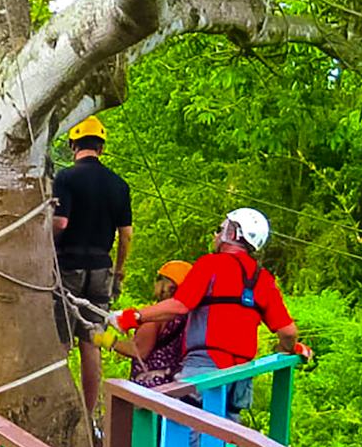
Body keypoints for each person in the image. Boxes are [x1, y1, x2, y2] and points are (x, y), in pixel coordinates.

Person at [111, 208, 312, 414]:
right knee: (225, 437)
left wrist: (134, 316)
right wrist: (288, 348)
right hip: (240, 378)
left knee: (189, 435)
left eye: (220, 229)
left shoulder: (210, 265)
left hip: (203, 371)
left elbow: (180, 305)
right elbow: (288, 332)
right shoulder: (263, 279)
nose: (216, 235)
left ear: (232, 233)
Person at [51, 116, 133, 417]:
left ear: (73, 144)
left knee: (60, 341)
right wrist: (119, 271)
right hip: (101, 269)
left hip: (68, 267)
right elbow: (126, 235)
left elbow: (61, 222)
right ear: (101, 146)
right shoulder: (119, 185)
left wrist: (43, 244)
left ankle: (59, 409)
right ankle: (88, 411)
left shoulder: (66, 178)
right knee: (92, 341)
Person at [105, 259, 195, 388]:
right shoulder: (187, 316)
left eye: (158, 279)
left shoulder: (155, 316)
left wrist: (103, 340)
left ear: (168, 285)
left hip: (150, 386)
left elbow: (139, 351)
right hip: (174, 382)